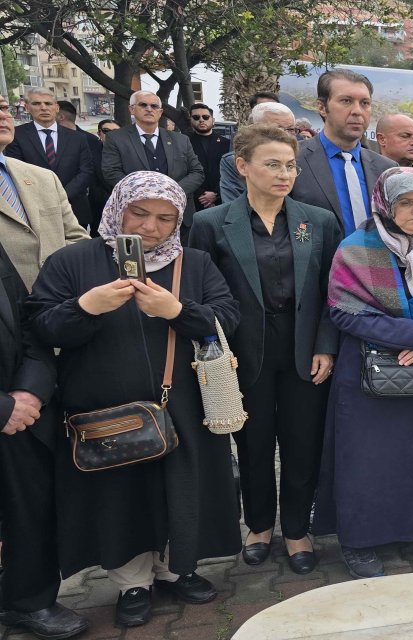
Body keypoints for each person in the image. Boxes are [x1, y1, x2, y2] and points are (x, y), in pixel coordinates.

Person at [27, 172, 240, 628]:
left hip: (180, 402)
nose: (150, 228)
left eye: (165, 218)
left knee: (180, 486)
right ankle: (132, 582)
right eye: (139, 213)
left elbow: (227, 317)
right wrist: (85, 307)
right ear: (117, 208)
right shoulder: (74, 261)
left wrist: (179, 313)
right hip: (104, 405)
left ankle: (176, 568)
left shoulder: (195, 262)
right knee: (120, 495)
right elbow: (41, 327)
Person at [188, 124, 343, 576]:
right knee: (253, 444)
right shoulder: (211, 223)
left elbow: (333, 293)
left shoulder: (317, 220)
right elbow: (200, 293)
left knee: (301, 443)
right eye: (272, 164)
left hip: (303, 348)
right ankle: (258, 526)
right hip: (243, 353)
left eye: (290, 165)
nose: (283, 174)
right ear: (243, 166)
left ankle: (296, 528)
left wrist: (325, 346)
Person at [312, 166, 413, 577]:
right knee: (369, 461)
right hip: (371, 369)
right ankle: (361, 541)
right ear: (385, 204)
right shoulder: (355, 248)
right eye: (406, 202)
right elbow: (345, 313)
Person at [0, 244, 90, 639]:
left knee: (30, 509)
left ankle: (28, 600)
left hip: (21, 414)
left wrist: (30, 390)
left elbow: (27, 322)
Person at [290, 69, 397, 235]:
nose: (357, 111)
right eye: (346, 101)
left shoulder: (386, 168)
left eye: (365, 103)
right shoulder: (294, 160)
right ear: (322, 107)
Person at [0, 98, 90, 293]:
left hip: (57, 301)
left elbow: (78, 239)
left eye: (3, 107)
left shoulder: (44, 178)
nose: (2, 115)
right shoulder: (24, 138)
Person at [101, 91, 205, 238]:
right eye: (143, 105)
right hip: (138, 217)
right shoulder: (116, 138)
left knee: (182, 260)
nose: (149, 109)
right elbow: (111, 172)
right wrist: (145, 193)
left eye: (154, 106)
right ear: (132, 109)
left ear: (160, 112)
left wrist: (173, 191)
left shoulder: (181, 140)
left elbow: (197, 172)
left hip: (179, 217)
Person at [6, 88, 95, 228]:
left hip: (74, 209)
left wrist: (61, 196)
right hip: (35, 209)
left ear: (56, 107)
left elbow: (86, 171)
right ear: (27, 107)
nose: (43, 108)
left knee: (77, 249)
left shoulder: (78, 138)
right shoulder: (17, 136)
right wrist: (46, 198)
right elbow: (16, 171)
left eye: (48, 103)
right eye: (36, 104)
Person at [220, 102, 300, 203]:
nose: (285, 135)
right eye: (277, 129)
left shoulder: (305, 155)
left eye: (290, 129)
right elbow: (233, 206)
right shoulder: (232, 161)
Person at [186, 103, 231, 212]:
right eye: (196, 117)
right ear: (191, 120)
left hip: (223, 198)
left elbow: (230, 171)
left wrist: (216, 193)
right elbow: (183, 170)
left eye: (205, 117)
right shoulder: (185, 142)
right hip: (194, 200)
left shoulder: (227, 143)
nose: (201, 120)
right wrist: (202, 195)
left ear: (213, 120)